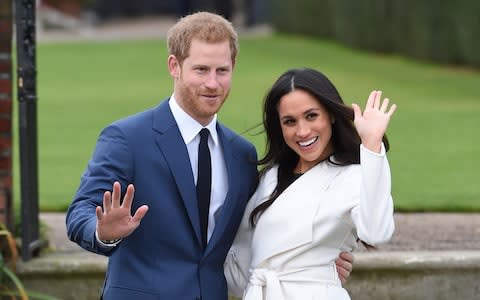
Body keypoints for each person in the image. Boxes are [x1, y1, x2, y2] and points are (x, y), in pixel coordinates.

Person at [65, 13, 353, 300]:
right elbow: (80, 212)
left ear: (233, 67)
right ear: (174, 66)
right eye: (201, 70)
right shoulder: (127, 138)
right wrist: (104, 232)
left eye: (222, 71)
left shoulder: (241, 154)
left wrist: (314, 261)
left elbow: (256, 232)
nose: (213, 84)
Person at [224, 68, 396, 299]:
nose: (303, 131)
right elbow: (242, 257)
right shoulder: (270, 177)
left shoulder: (354, 176)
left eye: (312, 115)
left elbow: (376, 232)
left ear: (331, 114)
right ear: (279, 126)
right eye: (290, 121)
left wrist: (372, 147)